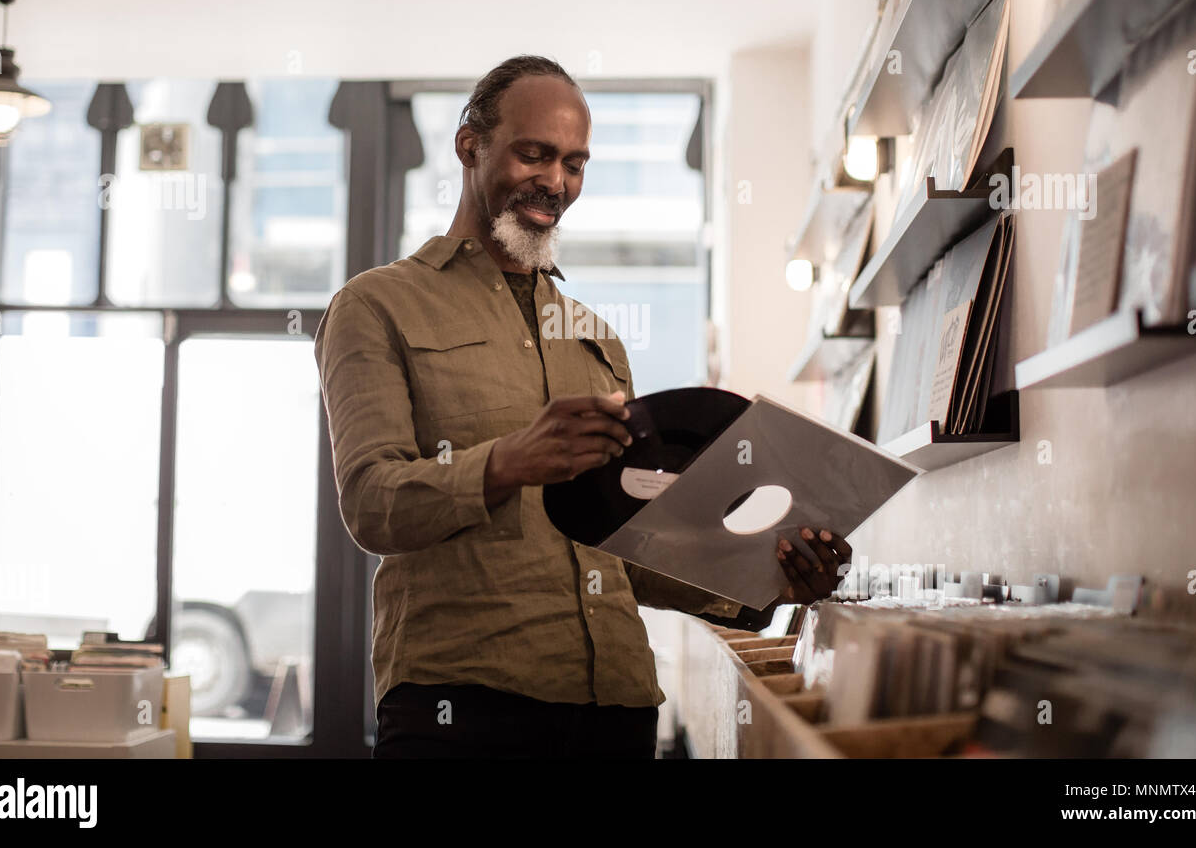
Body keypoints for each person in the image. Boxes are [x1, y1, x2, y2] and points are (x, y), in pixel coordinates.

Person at [314, 55, 852, 758]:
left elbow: (626, 548)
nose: (556, 183)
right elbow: (371, 502)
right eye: (533, 154)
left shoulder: (596, 338)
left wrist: (767, 583)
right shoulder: (374, 305)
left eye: (574, 163)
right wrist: (508, 461)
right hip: (461, 709)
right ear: (469, 145)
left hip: (618, 709)